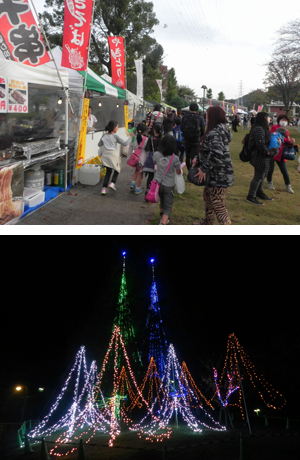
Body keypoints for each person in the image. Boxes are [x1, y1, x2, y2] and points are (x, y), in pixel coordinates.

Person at [191, 106, 234, 225]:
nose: (206, 117)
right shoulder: (216, 130)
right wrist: (197, 158)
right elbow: (208, 150)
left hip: (219, 175)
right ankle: (208, 223)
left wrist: (204, 169)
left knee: (218, 204)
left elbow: (216, 153)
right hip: (214, 174)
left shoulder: (215, 132)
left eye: (207, 115)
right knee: (208, 198)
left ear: (213, 117)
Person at [98, 120, 134, 195]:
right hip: (113, 154)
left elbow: (99, 144)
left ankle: (104, 189)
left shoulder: (104, 135)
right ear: (113, 128)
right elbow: (125, 143)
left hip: (106, 155)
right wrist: (131, 137)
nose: (117, 129)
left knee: (108, 171)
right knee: (117, 168)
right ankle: (112, 183)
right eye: (117, 127)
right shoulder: (115, 136)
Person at [245, 112, 273, 206]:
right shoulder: (259, 129)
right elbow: (260, 144)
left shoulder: (262, 128)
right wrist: (267, 152)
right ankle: (251, 196)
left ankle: (259, 192)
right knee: (259, 176)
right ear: (265, 118)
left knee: (263, 175)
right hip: (259, 156)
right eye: (269, 118)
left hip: (263, 156)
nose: (270, 120)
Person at [153, 135, 182, 225]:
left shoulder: (156, 154)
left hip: (158, 183)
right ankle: (163, 223)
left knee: (162, 201)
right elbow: (178, 172)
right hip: (169, 185)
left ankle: (162, 217)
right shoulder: (175, 158)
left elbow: (154, 162)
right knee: (168, 205)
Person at [266, 114, 295, 194]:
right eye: (283, 120)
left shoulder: (287, 131)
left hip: (281, 153)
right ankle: (269, 182)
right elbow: (273, 137)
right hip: (273, 151)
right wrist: (285, 140)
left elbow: (286, 141)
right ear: (279, 120)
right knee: (270, 169)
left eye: (286, 121)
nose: (284, 122)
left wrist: (290, 142)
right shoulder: (274, 127)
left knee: (284, 170)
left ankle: (288, 185)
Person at [181, 103, 205, 170]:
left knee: (187, 155)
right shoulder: (200, 118)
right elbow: (203, 130)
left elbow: (182, 128)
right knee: (194, 156)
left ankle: (188, 169)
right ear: (197, 109)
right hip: (196, 140)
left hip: (186, 139)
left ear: (189, 109)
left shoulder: (184, 117)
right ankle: (192, 169)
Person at [143, 123, 163, 198]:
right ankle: (157, 192)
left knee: (150, 177)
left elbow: (146, 148)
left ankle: (148, 191)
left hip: (151, 159)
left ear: (154, 130)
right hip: (160, 160)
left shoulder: (150, 138)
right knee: (159, 177)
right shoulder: (162, 139)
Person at [129, 123, 149, 195]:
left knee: (136, 170)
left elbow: (132, 147)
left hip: (135, 158)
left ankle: (133, 183)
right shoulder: (146, 139)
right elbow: (147, 150)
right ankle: (137, 188)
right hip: (142, 159)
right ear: (144, 131)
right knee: (141, 174)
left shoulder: (134, 138)